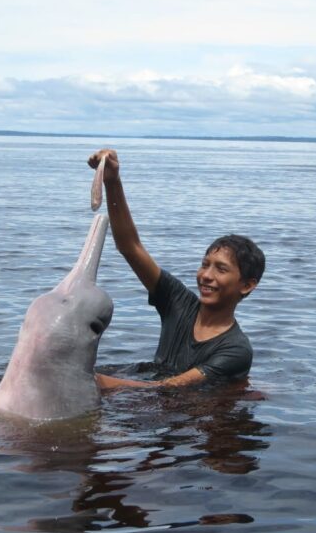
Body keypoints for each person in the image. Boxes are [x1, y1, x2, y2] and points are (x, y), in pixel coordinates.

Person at [87, 148, 265, 390]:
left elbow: (171, 387)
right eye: (205, 265)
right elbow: (130, 247)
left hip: (192, 415)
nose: (206, 276)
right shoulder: (178, 302)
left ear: (247, 284)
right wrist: (112, 182)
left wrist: (99, 383)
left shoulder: (236, 349)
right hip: (154, 393)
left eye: (220, 270)